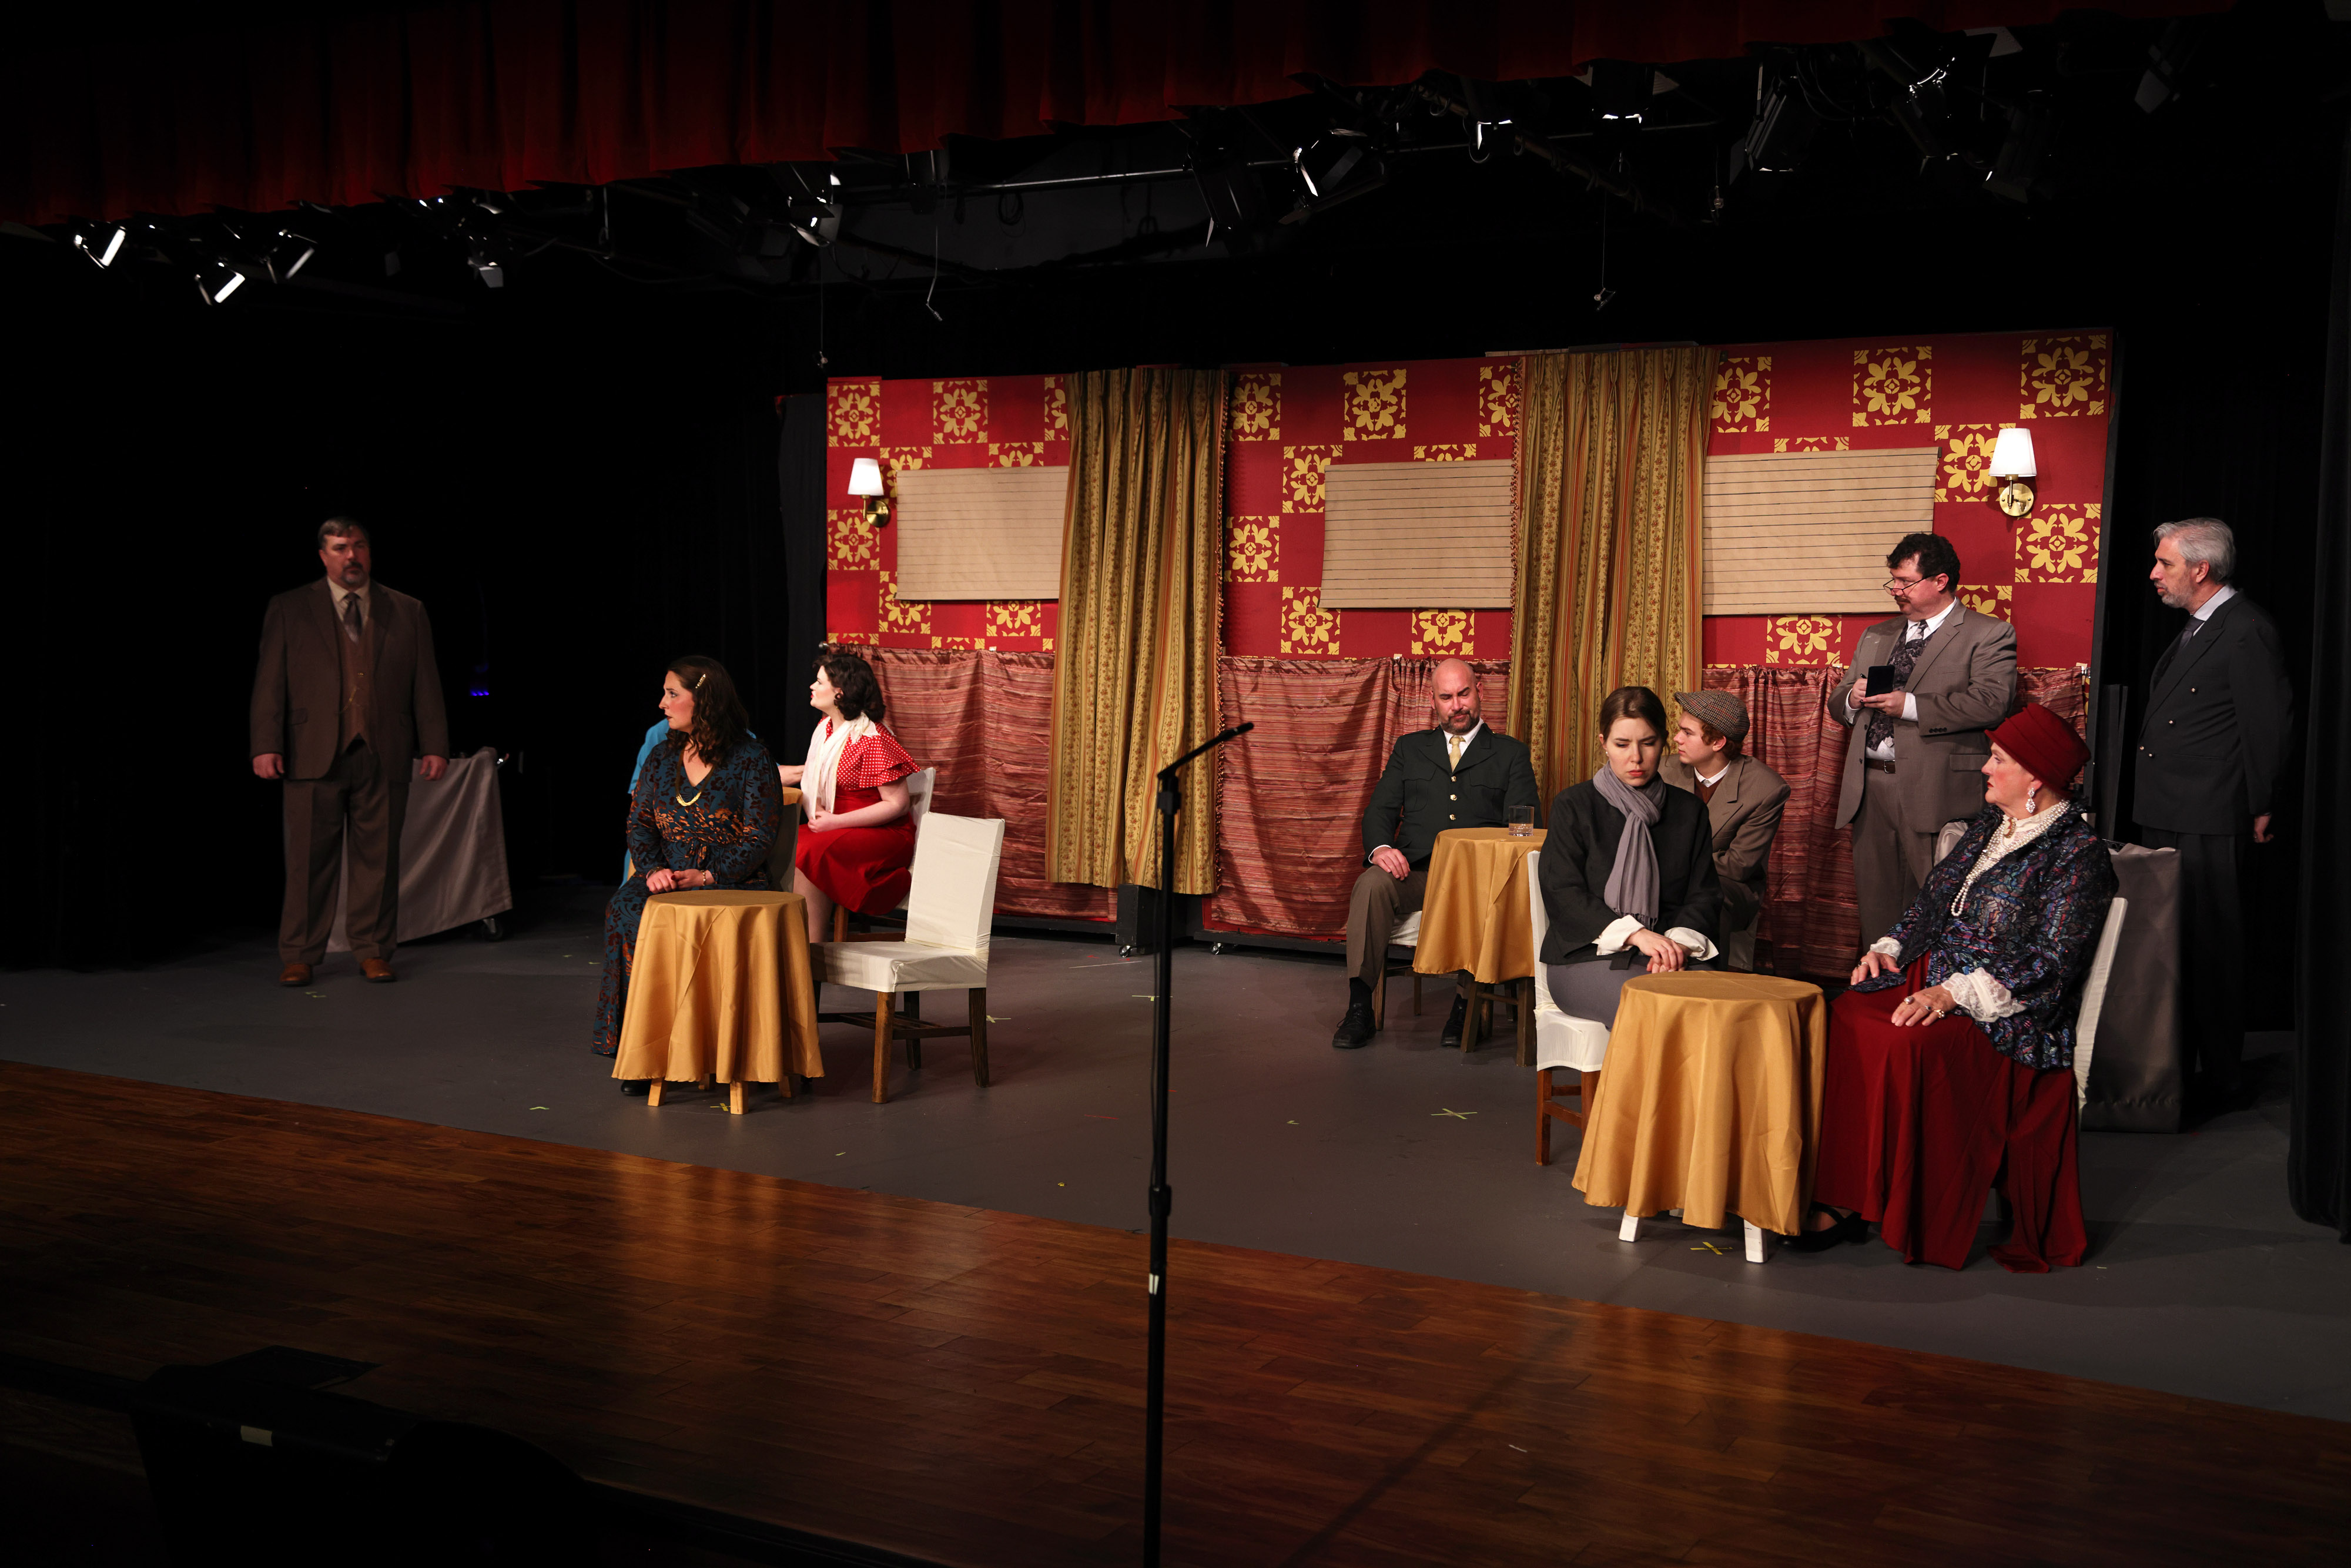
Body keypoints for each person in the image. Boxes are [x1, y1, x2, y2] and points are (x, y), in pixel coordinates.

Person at [1795, 703, 2115, 1272]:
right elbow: (1930, 905)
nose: (1985, 768)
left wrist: (1953, 995)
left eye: (1998, 759)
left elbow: (2054, 962)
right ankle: (1849, 1196)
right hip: (1934, 974)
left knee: (1905, 1042)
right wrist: (1889, 948)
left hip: (2008, 1014)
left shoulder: (2078, 855)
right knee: (1845, 1014)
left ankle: (1900, 1205)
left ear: (2035, 777)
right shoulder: (1989, 825)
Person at [2132, 518, 2294, 1111]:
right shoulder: (2201, 624)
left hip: (2209, 812)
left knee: (2213, 947)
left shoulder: (2246, 628)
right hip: (2170, 808)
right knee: (2173, 946)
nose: (2154, 573)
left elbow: (2266, 725)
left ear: (2201, 569)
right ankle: (2177, 1067)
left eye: (2165, 564)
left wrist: (2262, 803)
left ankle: (2222, 1076)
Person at [249, 517, 448, 987]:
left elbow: (426, 683)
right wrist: (265, 744)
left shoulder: (406, 609)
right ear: (323, 556)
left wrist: (435, 745)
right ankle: (300, 953)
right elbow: (269, 682)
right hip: (310, 750)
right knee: (308, 861)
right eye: (340, 548)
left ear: (369, 553)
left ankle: (373, 949)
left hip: (384, 748)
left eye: (358, 546)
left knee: (378, 859)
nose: (351, 556)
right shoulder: (290, 607)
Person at [1333, 659, 1539, 1050]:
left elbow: (1525, 829)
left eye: (1464, 694)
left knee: (1486, 900)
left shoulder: (1510, 754)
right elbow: (1379, 811)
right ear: (1433, 702)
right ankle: (1359, 1006)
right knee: (1371, 886)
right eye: (1446, 697)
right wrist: (1381, 849)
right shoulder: (1410, 749)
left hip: (1477, 881)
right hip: (1417, 874)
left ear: (1480, 691)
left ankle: (1466, 1007)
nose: (1456, 705)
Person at [594, 657, 781, 1083]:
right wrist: (653, 870)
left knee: (709, 920)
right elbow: (639, 824)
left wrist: (709, 875)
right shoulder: (662, 756)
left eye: (672, 694)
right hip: (668, 875)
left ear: (704, 699)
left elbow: (759, 836)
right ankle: (639, 1053)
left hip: (730, 878)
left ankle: (714, 1046)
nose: (662, 704)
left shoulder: (752, 758)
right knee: (626, 911)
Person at [1830, 532, 2018, 952]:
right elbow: (1837, 701)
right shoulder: (1877, 634)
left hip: (1937, 791)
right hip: (1869, 789)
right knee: (1877, 907)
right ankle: (1879, 983)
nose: (1895, 590)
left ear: (1940, 581)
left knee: (1937, 906)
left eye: (1905, 582)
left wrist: (1911, 706)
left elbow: (1992, 704)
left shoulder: (1988, 633)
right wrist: (1852, 699)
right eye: (1893, 581)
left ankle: (1932, 986)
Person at [1536, 686, 1722, 1027]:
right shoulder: (1574, 805)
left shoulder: (1690, 811)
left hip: (1672, 955)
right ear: (1603, 743)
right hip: (1586, 957)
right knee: (1654, 1010)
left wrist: (1674, 946)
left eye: (1647, 743)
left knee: (1719, 1011)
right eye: (1622, 745)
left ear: (1663, 743)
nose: (1636, 758)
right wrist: (1636, 935)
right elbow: (1563, 894)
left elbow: (1704, 895)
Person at [780, 647, 919, 942]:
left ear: (840, 693)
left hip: (883, 832)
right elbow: (815, 777)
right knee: (786, 842)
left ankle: (810, 946)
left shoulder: (872, 738)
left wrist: (836, 822)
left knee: (808, 848)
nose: (812, 686)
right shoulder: (826, 728)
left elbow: (897, 804)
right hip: (837, 825)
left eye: (820, 682)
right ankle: (796, 943)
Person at [1659, 690, 1789, 971]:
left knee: (1710, 898)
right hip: (1664, 875)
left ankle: (1708, 982)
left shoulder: (1766, 788)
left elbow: (1738, 866)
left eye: (1687, 733)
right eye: (1680, 730)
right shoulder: (1661, 770)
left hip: (1728, 886)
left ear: (1718, 742)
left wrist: (1675, 864)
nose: (1677, 739)